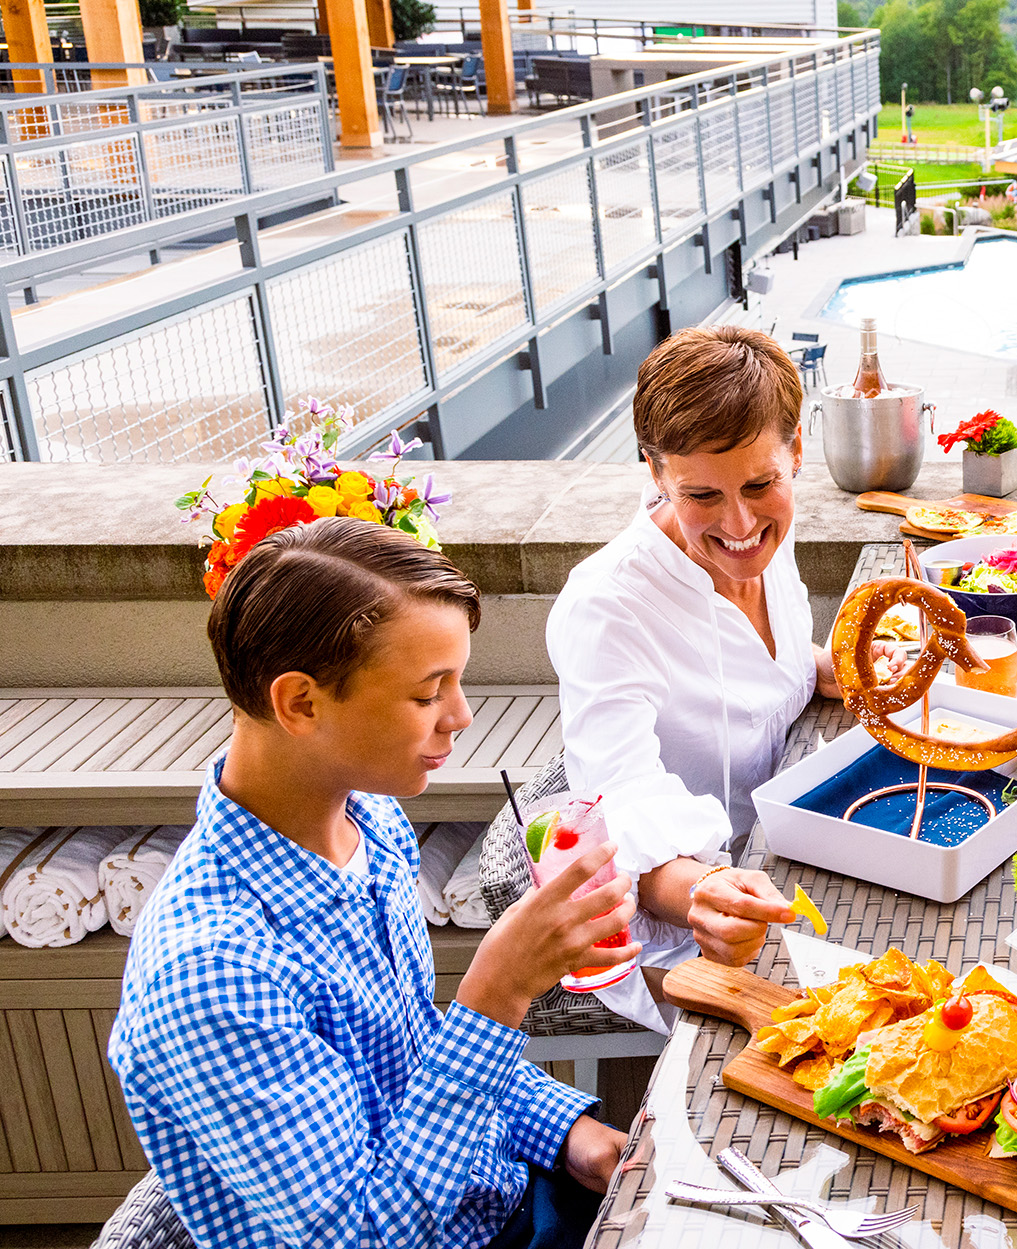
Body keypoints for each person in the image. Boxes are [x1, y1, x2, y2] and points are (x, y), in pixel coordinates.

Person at [110, 518, 635, 1249]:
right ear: (300, 703)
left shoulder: (372, 822)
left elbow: (414, 1067)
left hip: (508, 1196)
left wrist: (566, 1129)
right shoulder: (211, 975)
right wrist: (496, 997)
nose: (461, 716)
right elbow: (369, 1234)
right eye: (428, 694)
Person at [547, 326, 842, 1031]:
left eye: (760, 484)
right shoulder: (606, 605)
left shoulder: (766, 533)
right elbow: (622, 804)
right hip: (687, 931)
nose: (738, 523)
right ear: (655, 471)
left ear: (796, 451)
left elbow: (772, 669)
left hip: (795, 844)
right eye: (700, 495)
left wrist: (833, 665)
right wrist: (708, 890)